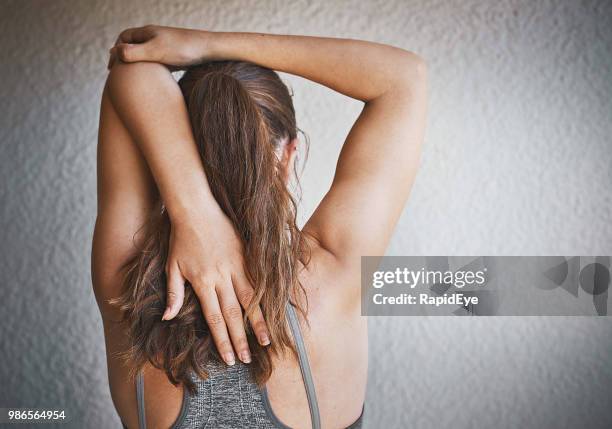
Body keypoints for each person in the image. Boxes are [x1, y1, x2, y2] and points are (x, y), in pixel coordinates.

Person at [91, 25, 427, 429]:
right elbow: (404, 77)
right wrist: (203, 44)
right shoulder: (332, 276)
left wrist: (193, 209)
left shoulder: (128, 285)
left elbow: (130, 70)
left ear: (164, 152)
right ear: (288, 156)